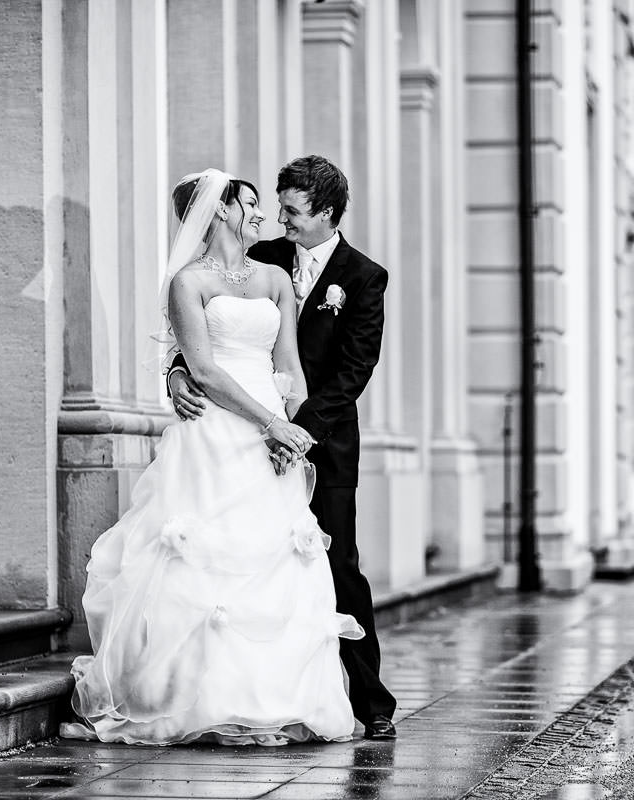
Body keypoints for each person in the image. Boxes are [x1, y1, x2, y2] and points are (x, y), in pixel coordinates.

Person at [61, 168, 363, 746]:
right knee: (204, 561)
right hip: (216, 434)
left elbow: (292, 369)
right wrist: (262, 419)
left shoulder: (275, 276)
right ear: (219, 211)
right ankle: (197, 699)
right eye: (250, 205)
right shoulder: (188, 283)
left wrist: (292, 436)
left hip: (273, 439)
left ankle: (279, 699)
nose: (263, 216)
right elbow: (201, 369)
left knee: (277, 560)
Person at [167, 155, 398, 740]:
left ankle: (371, 701)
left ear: (324, 212)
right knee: (262, 565)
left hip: (322, 439)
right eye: (277, 206)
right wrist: (176, 372)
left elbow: (351, 373)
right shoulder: (262, 261)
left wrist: (296, 433)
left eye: (293, 212)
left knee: (338, 564)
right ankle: (262, 689)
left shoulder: (364, 276)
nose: (280, 220)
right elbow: (212, 330)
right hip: (252, 434)